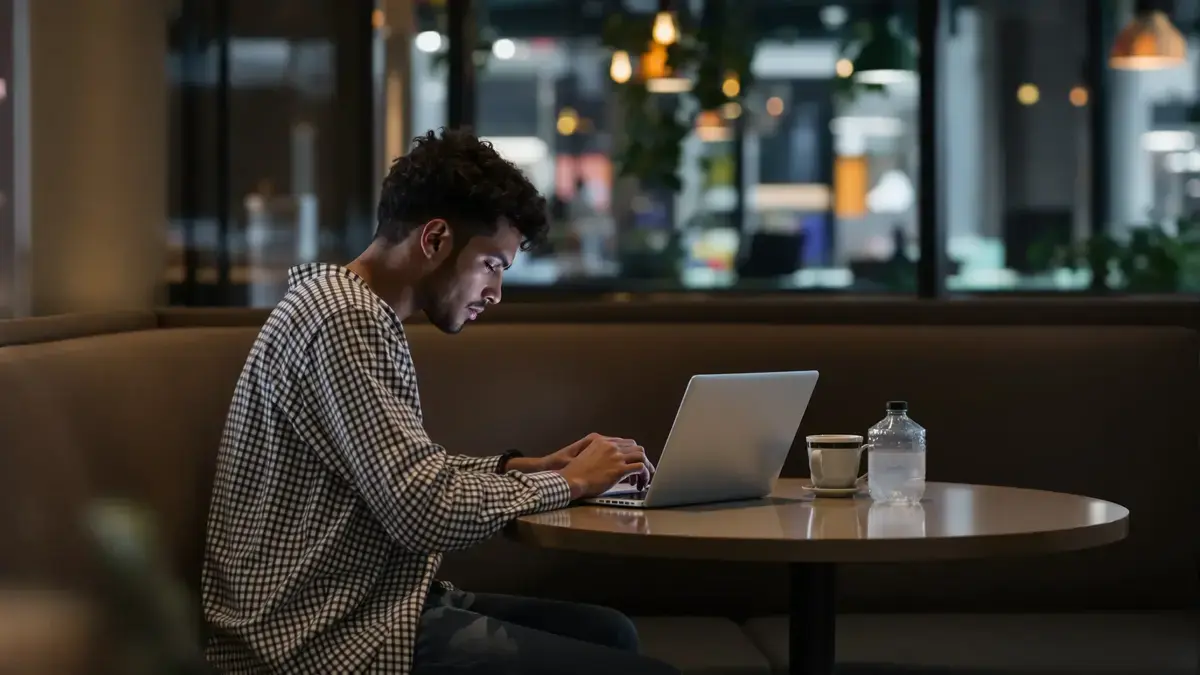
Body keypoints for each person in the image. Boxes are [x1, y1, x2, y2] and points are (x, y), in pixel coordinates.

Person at [201, 128, 678, 675]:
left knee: (610, 632)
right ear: (434, 240)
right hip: (319, 640)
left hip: (369, 607)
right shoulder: (344, 319)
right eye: (492, 266)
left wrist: (521, 468)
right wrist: (570, 483)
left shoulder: (344, 307)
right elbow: (422, 511)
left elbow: (403, 477)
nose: (496, 293)